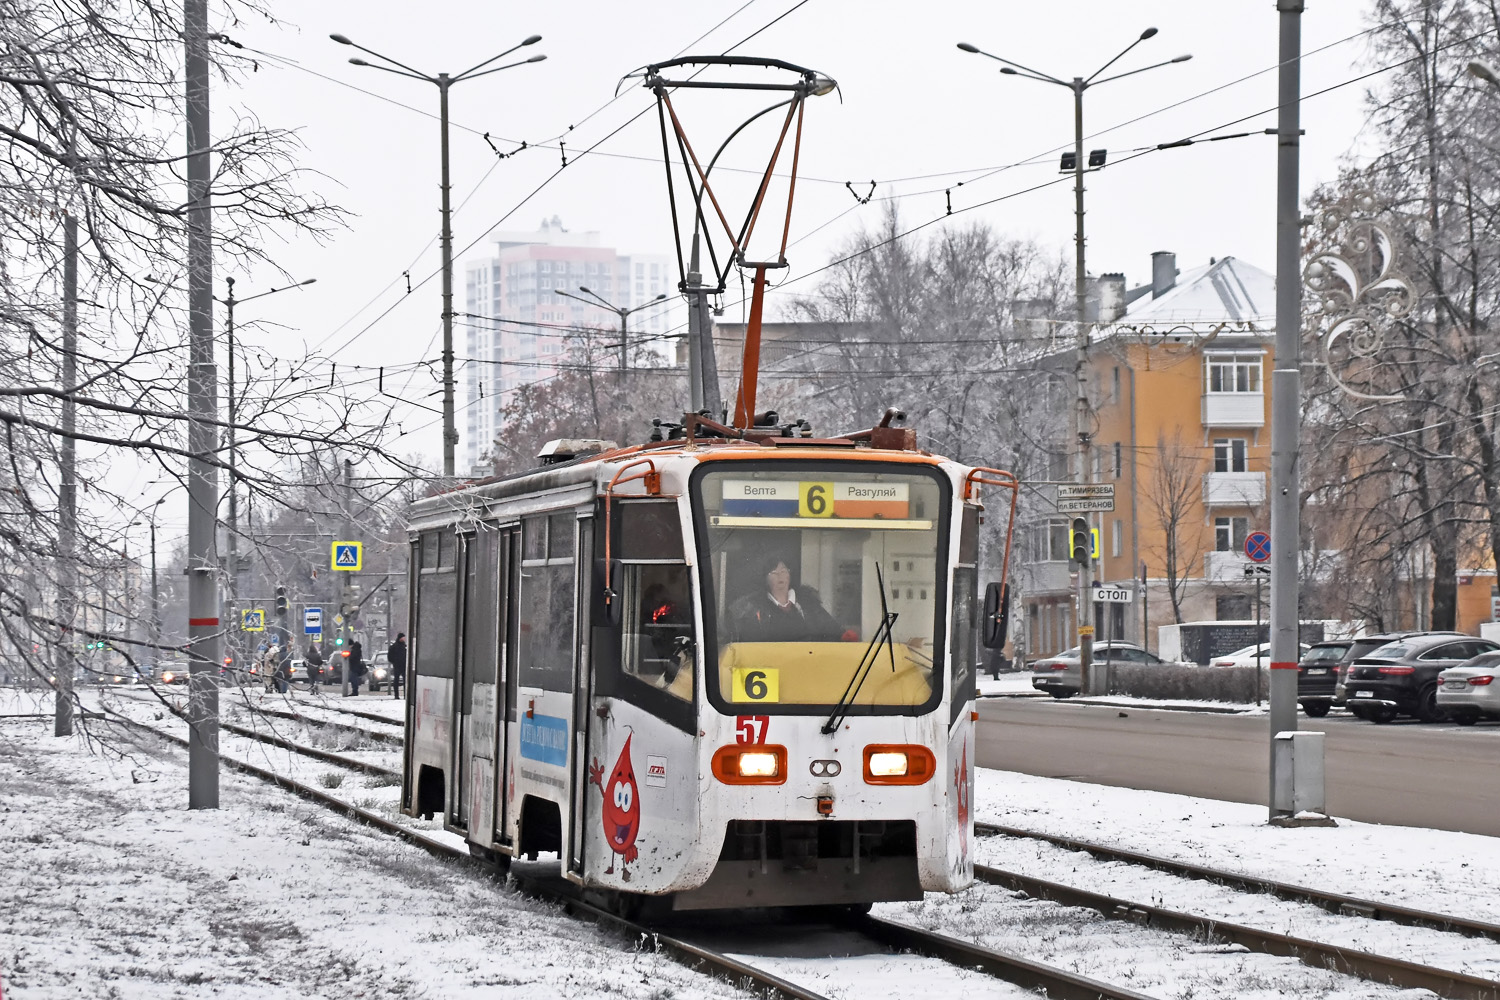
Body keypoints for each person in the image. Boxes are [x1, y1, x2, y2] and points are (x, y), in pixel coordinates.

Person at [728, 554, 842, 643]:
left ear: (789, 575)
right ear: (765, 579)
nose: (780, 576)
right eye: (774, 573)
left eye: (783, 571)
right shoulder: (753, 608)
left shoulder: (808, 604)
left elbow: (833, 631)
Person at [387, 633, 407, 700]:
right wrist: (394, 662)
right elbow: (389, 656)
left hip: (404, 666)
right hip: (397, 666)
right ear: (399, 638)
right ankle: (396, 695)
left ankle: (405, 695)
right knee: (396, 681)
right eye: (403, 637)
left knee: (405, 681)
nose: (404, 639)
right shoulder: (394, 647)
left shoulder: (405, 646)